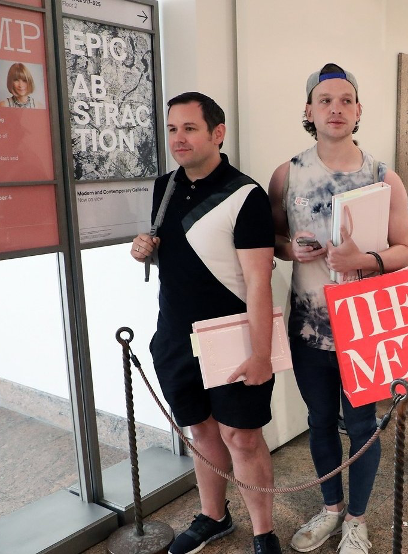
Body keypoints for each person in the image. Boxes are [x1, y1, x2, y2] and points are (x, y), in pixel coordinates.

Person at [268, 63, 408, 554]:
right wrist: (293, 249)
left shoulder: (382, 176)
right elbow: (272, 240)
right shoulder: (287, 173)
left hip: (364, 327)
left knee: (362, 426)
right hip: (310, 328)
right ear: (308, 110)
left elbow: (405, 251)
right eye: (325, 100)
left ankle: (357, 519)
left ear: (358, 110)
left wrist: (364, 260)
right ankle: (331, 507)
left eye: (345, 100)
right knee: (318, 421)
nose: (336, 108)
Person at [131, 92, 282, 554]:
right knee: (200, 431)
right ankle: (214, 517)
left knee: (242, 436)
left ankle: (263, 530)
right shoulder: (165, 187)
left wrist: (261, 354)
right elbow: (185, 258)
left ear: (217, 133)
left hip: (231, 336)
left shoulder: (246, 195)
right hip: (176, 334)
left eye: (190, 128)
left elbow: (258, 282)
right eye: (173, 128)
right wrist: (145, 250)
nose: (179, 138)